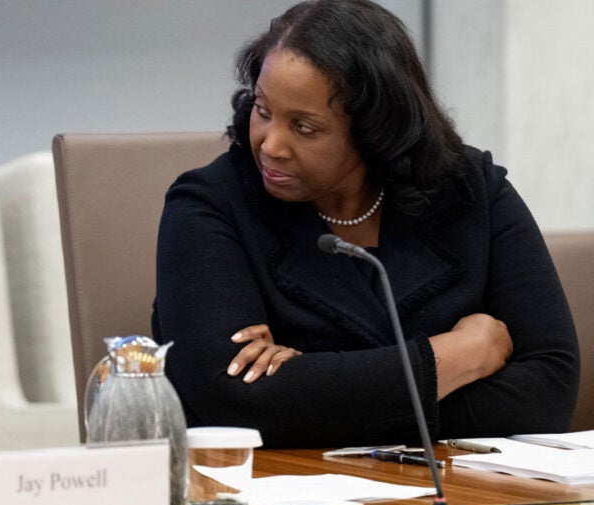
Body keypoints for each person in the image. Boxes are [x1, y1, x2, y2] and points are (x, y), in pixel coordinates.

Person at [153, 0, 579, 448]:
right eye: (263, 110)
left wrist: (313, 388)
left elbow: (550, 392)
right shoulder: (208, 205)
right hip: (287, 498)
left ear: (376, 129)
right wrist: (457, 357)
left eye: (304, 127)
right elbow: (231, 402)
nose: (271, 145)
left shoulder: (471, 191)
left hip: (467, 497)